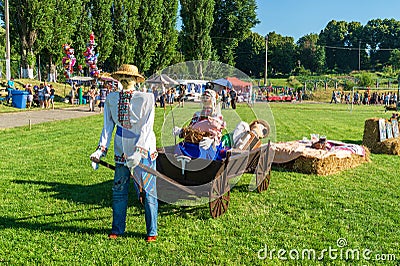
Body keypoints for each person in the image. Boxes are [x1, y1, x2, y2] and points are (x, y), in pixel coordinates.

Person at [90, 64, 158, 242]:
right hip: (121, 147)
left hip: (143, 147)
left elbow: (147, 126)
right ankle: (117, 228)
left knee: (149, 190)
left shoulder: (146, 98)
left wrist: (139, 151)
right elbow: (108, 125)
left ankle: (152, 230)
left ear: (137, 80)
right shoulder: (112, 99)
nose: (124, 80)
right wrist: (101, 149)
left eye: (128, 77)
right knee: (119, 190)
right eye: (121, 76)